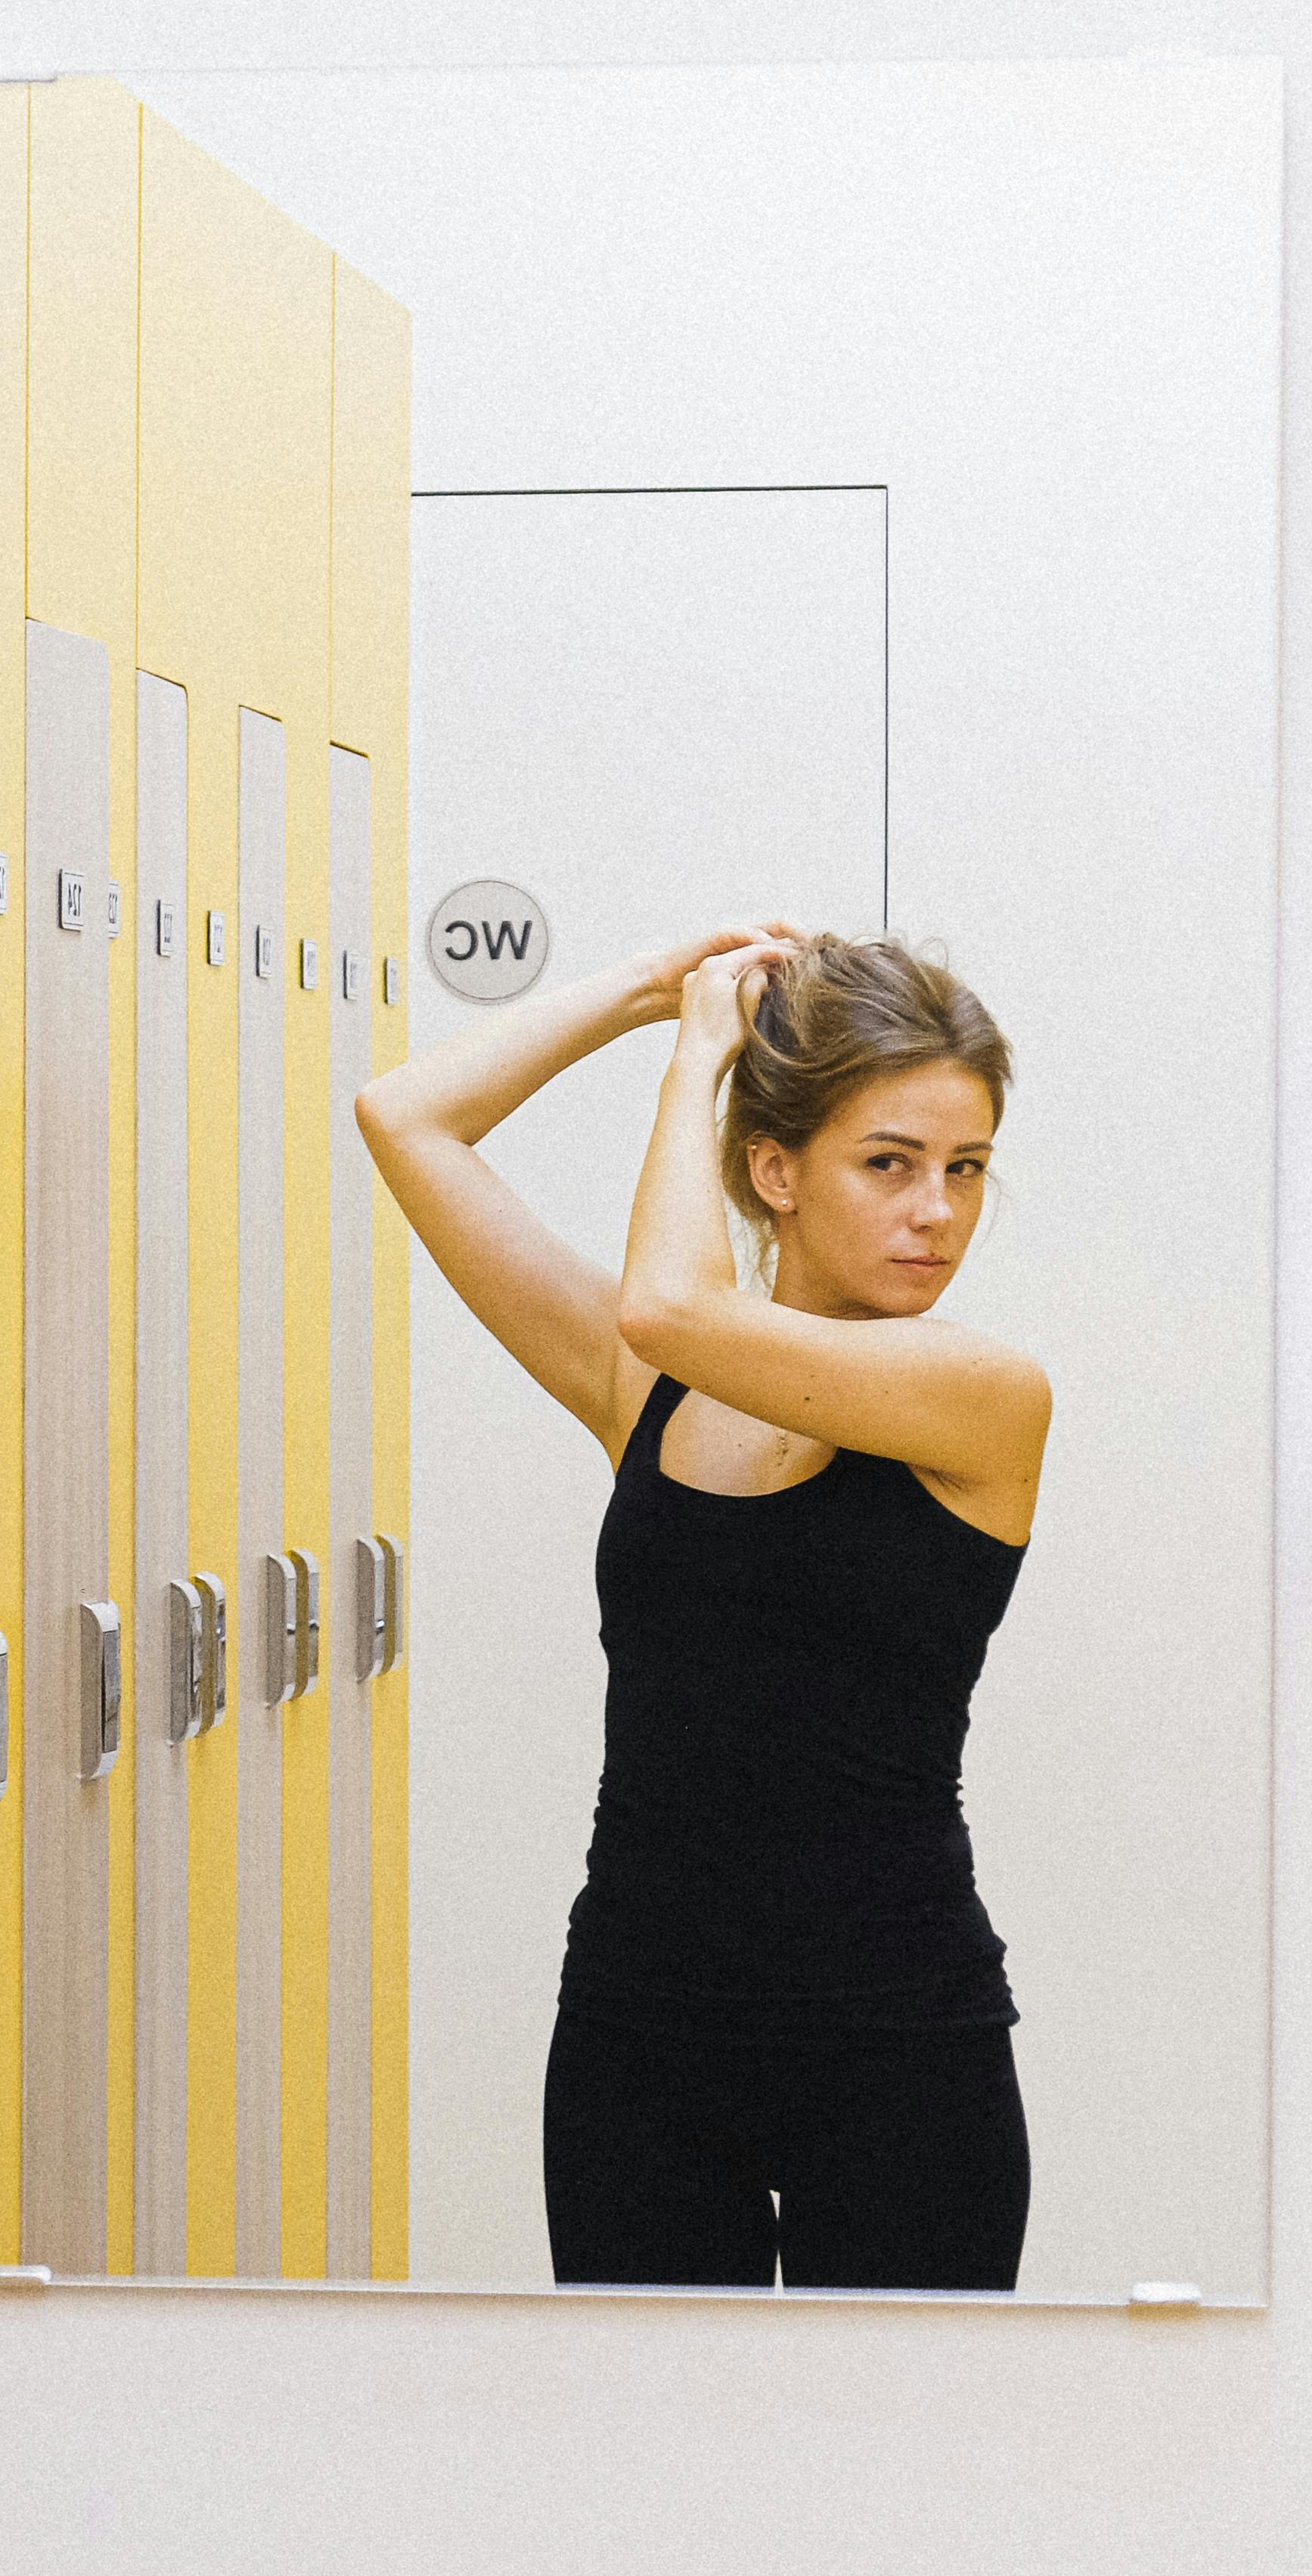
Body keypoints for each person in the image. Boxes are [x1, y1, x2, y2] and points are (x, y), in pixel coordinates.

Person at [358, 926, 1044, 2292]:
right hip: (639, 2034)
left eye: (965, 1170)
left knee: (897, 2494)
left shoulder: (979, 1395)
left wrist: (699, 1055)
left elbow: (674, 1301)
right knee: (644, 2486)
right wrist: (646, 992)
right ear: (773, 1171)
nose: (938, 1213)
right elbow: (409, 1118)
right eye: (890, 1164)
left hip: (900, 2042)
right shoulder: (646, 1391)